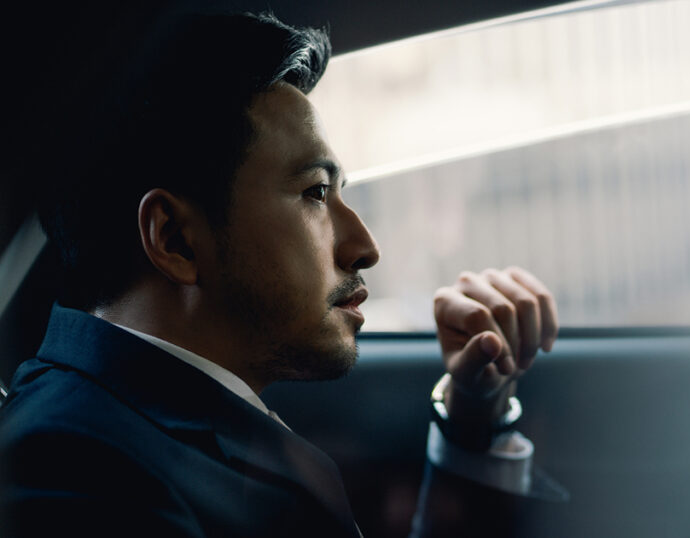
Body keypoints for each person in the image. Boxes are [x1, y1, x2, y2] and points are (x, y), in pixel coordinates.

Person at [0, 11, 563, 537]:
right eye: (316, 192)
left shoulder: (132, 427)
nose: (365, 248)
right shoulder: (69, 469)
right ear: (175, 240)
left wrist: (473, 417)